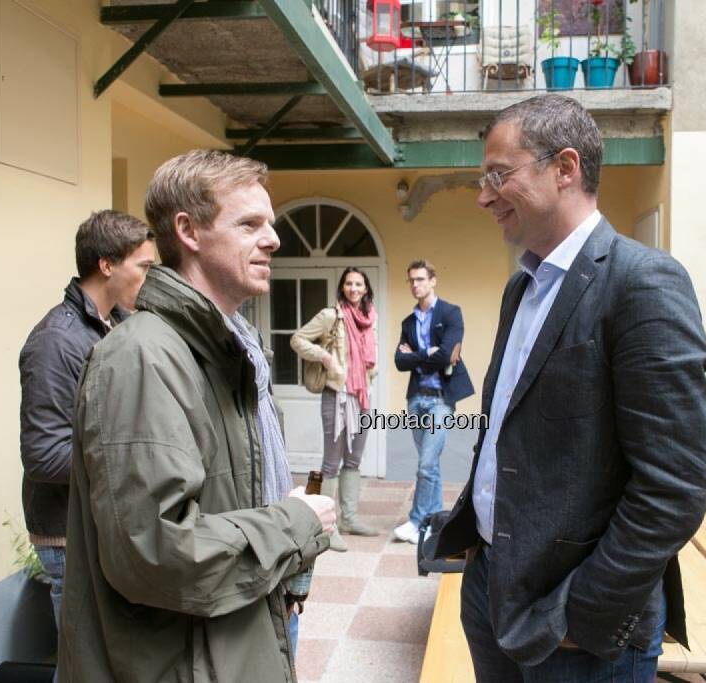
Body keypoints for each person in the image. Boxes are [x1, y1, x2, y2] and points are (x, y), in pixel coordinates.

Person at [434, 94, 706, 680]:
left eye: (498, 175)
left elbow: (676, 488)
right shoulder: (523, 286)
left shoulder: (643, 282)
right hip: (493, 589)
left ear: (565, 168)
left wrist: (579, 613)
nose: (484, 196)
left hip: (575, 627)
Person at [58, 150, 336, 682]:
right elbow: (156, 551)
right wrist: (293, 525)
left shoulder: (228, 348)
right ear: (188, 231)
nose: (274, 239)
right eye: (250, 223)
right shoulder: (142, 357)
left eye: (271, 224)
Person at [18, 210, 155, 632]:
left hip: (103, 529)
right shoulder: (57, 341)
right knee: (82, 670)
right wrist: (135, 463)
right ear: (107, 264)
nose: (149, 278)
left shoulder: (116, 325)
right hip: (68, 537)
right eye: (144, 267)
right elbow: (43, 457)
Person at [291, 267, 380, 551]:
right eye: (349, 284)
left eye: (359, 284)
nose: (354, 288)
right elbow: (297, 339)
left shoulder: (370, 318)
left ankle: (350, 519)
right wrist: (324, 356)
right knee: (332, 462)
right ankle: (325, 527)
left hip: (361, 397)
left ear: (365, 289)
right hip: (336, 395)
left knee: (354, 460)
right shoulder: (331, 315)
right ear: (342, 288)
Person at [393, 259, 475, 545]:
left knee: (426, 465)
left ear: (432, 280)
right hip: (416, 399)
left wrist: (417, 356)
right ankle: (436, 523)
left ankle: (416, 522)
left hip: (441, 399)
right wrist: (428, 352)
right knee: (431, 464)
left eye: (420, 279)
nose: (416, 284)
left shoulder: (451, 313)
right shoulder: (408, 322)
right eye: (411, 280)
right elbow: (399, 362)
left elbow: (448, 355)